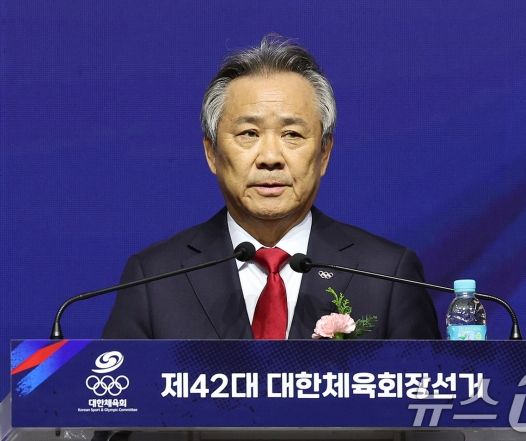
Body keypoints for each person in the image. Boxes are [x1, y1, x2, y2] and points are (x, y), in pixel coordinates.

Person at [102, 35, 441, 340]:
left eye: (292, 134)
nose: (270, 158)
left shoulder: (386, 275)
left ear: (324, 154)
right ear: (212, 153)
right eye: (248, 133)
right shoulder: (154, 279)